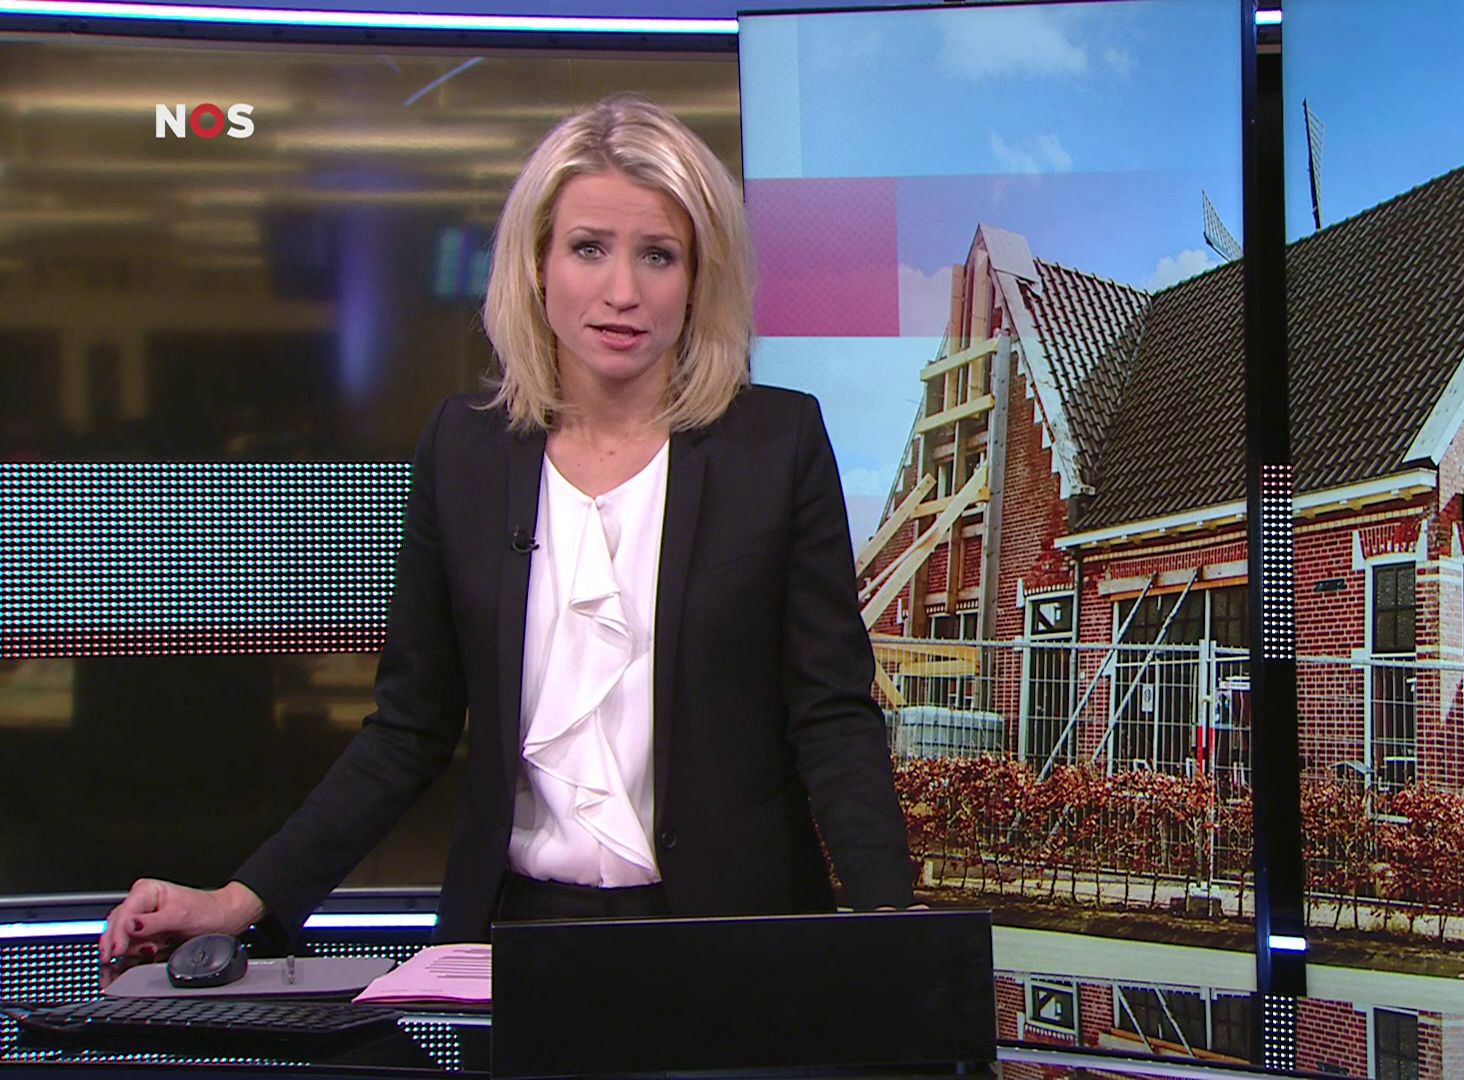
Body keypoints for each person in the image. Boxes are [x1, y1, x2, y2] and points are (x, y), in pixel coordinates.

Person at [98, 95, 914, 983]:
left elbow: (830, 714)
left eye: (659, 255)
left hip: (733, 942)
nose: (623, 291)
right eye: (589, 248)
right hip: (512, 936)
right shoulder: (465, 449)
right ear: (536, 264)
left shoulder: (775, 445)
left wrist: (891, 928)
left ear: (699, 278)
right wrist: (242, 897)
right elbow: (409, 730)